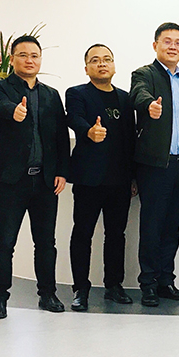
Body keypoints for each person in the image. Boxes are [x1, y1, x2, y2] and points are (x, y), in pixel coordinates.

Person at [0, 35, 70, 318]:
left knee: (45, 242)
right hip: (13, 179)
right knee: (5, 240)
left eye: (34, 55)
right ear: (12, 59)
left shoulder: (51, 94)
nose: (29, 60)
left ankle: (47, 294)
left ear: (40, 59)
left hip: (45, 181)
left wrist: (62, 172)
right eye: (23, 55)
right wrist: (14, 111)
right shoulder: (0, 87)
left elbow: (60, 137)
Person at [65, 44, 136, 312]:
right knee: (82, 233)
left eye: (107, 59)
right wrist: (88, 131)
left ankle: (113, 285)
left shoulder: (125, 98)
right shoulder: (77, 93)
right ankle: (80, 289)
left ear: (114, 66)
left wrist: (133, 176)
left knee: (116, 234)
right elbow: (74, 118)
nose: (102, 64)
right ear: (86, 68)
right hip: (88, 179)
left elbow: (131, 138)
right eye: (95, 60)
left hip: (120, 180)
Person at [130, 22, 179, 307]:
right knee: (152, 226)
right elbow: (138, 94)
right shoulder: (144, 74)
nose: (173, 46)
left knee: (172, 227)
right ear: (155, 45)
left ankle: (166, 281)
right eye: (167, 41)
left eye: (178, 42)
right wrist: (149, 105)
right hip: (155, 166)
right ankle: (148, 283)